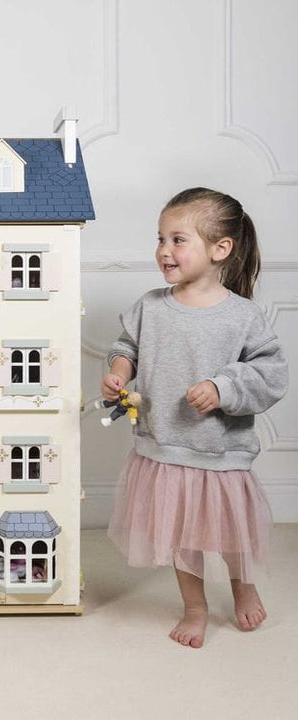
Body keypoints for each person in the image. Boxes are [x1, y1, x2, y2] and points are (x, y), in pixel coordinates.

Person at [101, 187, 288, 649]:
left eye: (178, 240)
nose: (164, 250)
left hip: (220, 451)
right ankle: (195, 608)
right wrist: (119, 371)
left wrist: (223, 387)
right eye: (160, 238)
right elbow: (127, 347)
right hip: (165, 446)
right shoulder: (150, 305)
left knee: (230, 533)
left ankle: (244, 586)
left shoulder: (242, 316)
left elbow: (270, 374)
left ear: (220, 249)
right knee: (181, 536)